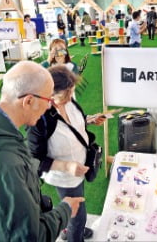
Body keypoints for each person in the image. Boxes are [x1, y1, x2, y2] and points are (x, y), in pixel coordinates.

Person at [0, 61, 84, 241]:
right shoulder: (4, 165)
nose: (50, 106)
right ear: (29, 101)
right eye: (49, 99)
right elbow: (28, 237)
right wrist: (65, 209)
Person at [27, 65, 106, 242]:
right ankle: (73, 232)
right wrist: (66, 166)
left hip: (78, 168)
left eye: (72, 91)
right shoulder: (40, 118)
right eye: (66, 93)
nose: (71, 97)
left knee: (75, 212)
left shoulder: (69, 101)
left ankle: (69, 228)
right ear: (49, 93)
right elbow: (33, 159)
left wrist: (89, 120)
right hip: (64, 176)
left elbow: (72, 123)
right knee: (78, 216)